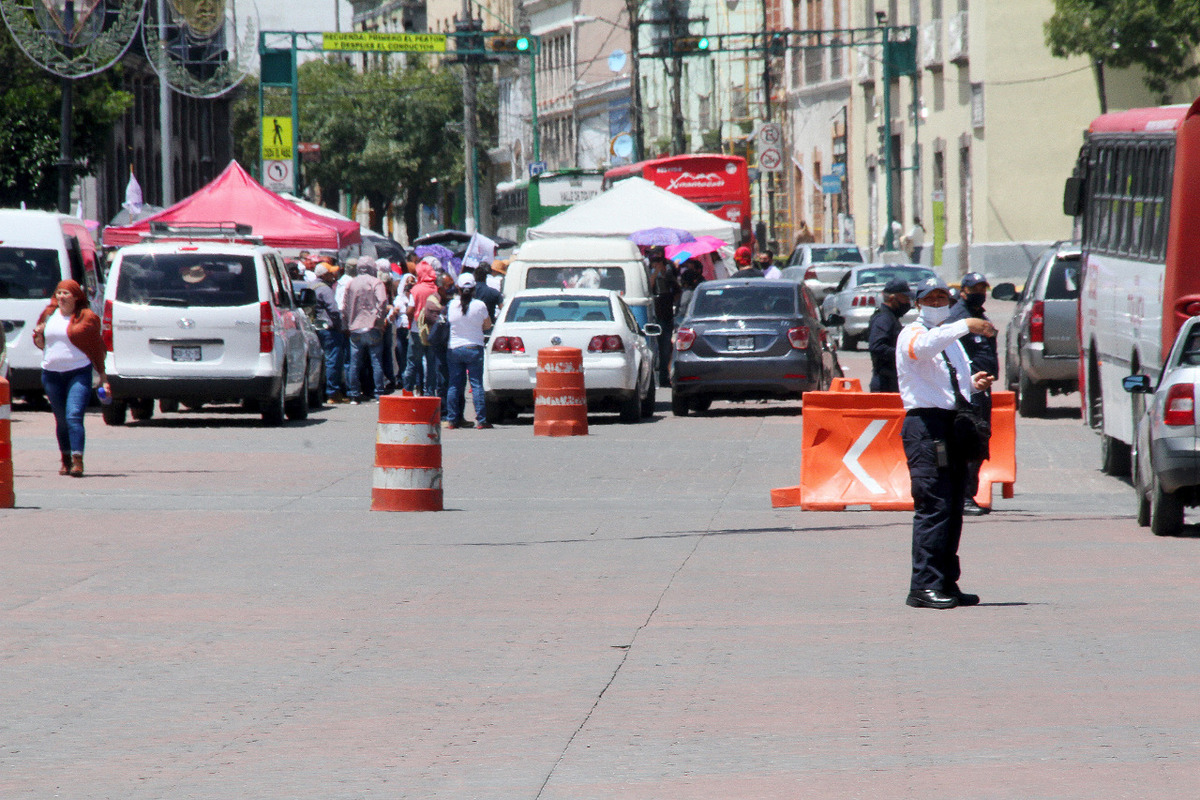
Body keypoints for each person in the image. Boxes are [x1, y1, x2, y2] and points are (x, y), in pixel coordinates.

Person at [896, 276, 997, 609]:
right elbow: (922, 349)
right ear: (918, 304)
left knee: (953, 507)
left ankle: (945, 582)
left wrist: (975, 384)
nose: (938, 305)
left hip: (950, 424)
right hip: (926, 426)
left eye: (943, 299)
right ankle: (923, 586)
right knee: (933, 506)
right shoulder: (914, 333)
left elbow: (954, 382)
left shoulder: (950, 340)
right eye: (931, 300)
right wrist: (964, 325)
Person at [30, 280, 108, 477]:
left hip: (78, 372)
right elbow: (41, 344)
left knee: (73, 415)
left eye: (66, 293)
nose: (61, 297)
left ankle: (77, 460)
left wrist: (103, 376)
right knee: (61, 420)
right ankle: (65, 459)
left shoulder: (86, 317)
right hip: (51, 375)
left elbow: (97, 348)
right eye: (59, 293)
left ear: (76, 297)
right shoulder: (49, 315)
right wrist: (39, 337)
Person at [946, 272, 998, 516]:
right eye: (975, 288)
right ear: (963, 291)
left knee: (979, 443)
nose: (980, 293)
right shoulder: (959, 319)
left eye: (983, 288)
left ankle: (969, 495)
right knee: (970, 443)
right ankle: (963, 497)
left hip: (982, 389)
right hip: (969, 392)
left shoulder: (977, 316)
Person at [445, 273, 494, 429]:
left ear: (458, 289)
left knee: (454, 385)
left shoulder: (451, 305)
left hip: (455, 349)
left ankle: (452, 419)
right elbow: (487, 325)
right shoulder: (480, 305)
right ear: (474, 289)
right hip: (474, 348)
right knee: (476, 384)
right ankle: (481, 419)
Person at [340, 257, 389, 404]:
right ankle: (378, 394)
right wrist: (380, 319)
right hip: (372, 325)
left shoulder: (351, 283)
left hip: (355, 327)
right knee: (376, 362)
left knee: (355, 363)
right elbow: (383, 301)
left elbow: (344, 307)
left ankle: (354, 394)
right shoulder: (376, 282)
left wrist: (346, 324)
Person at [866, 277, 912, 393]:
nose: (908, 302)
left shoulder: (891, 318)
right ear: (893, 298)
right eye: (905, 298)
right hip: (885, 384)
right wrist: (903, 353)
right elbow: (876, 347)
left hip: (893, 381)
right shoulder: (884, 319)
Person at [403, 259, 440, 395]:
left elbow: (410, 310)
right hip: (432, 332)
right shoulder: (435, 290)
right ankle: (430, 393)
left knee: (412, 363)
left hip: (416, 330)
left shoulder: (416, 290)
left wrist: (409, 318)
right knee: (431, 364)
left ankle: (407, 391)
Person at [312, 265, 346, 403]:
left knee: (321, 360)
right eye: (330, 274)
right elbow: (334, 310)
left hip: (317, 327)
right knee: (333, 361)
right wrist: (340, 326)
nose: (333, 276)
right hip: (329, 330)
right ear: (324, 275)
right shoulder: (325, 289)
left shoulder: (311, 286)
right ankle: (332, 393)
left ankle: (322, 391)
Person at [649, 254, 679, 383]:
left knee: (665, 348)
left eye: (658, 262)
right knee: (652, 348)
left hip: (666, 315)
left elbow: (677, 291)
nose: (656, 264)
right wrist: (656, 272)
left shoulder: (668, 276)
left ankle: (663, 377)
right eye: (654, 262)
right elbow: (648, 286)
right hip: (654, 315)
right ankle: (655, 376)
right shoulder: (650, 274)